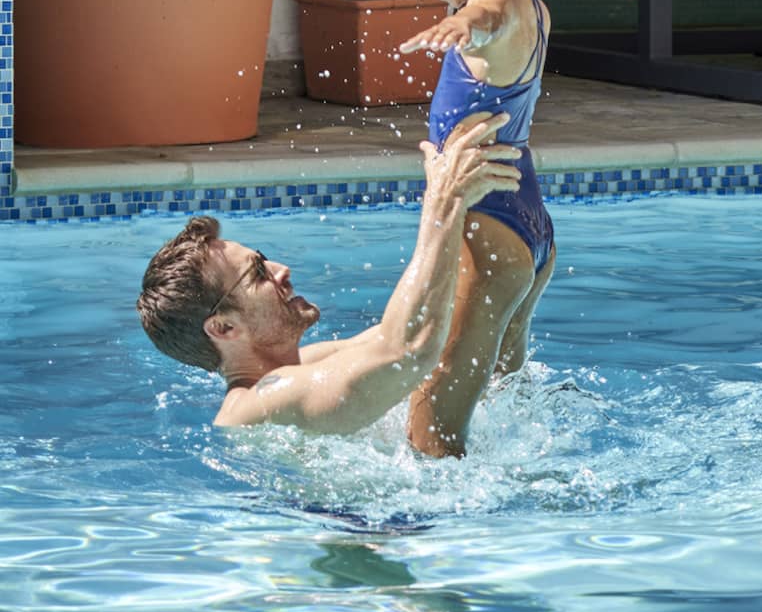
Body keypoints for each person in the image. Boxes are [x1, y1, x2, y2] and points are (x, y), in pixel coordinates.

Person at [136, 111, 523, 434]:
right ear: (223, 328)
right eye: (257, 274)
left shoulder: (302, 364)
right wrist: (444, 203)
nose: (281, 270)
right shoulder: (261, 402)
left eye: (263, 259)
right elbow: (407, 351)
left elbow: (437, 330)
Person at [372, 0, 556, 459]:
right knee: (503, 408)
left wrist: (460, 23)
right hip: (525, 229)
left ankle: (435, 542)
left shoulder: (496, 7)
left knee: (435, 415)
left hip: (491, 240)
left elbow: (489, 16)